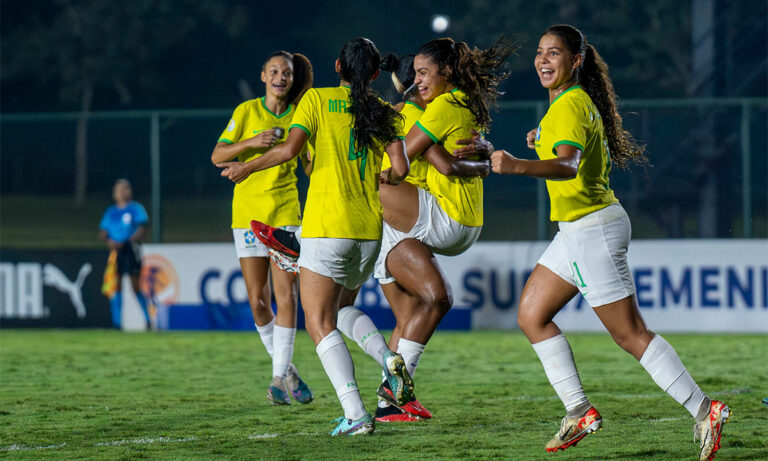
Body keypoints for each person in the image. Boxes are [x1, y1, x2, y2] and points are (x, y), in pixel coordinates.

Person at [489, 24, 729, 460]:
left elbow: (568, 166)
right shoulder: (568, 104)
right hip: (579, 229)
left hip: (590, 229)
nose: (543, 60)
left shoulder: (569, 104)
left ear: (575, 61)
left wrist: (517, 164)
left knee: (630, 334)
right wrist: (540, 139)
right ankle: (579, 411)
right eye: (540, 52)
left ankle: (705, 409)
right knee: (531, 314)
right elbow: (566, 150)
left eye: (554, 53)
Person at [218, 37, 413, 436]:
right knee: (339, 311)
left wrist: (248, 167)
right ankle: (389, 358)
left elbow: (290, 150)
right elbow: (401, 167)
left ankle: (356, 413)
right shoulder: (381, 110)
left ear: (338, 68)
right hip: (368, 232)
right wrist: (386, 176)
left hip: (327, 228)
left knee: (319, 321)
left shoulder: (316, 101)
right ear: (375, 74)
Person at [367, 38, 512, 422]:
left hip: (442, 216)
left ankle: (306, 237)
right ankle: (390, 403)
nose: (417, 81)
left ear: (446, 72)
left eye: (423, 73)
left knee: (363, 181)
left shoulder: (438, 108)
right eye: (414, 75)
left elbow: (411, 160)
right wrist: (480, 162)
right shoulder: (459, 102)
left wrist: (402, 123)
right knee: (410, 315)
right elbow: (445, 161)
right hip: (436, 224)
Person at [211, 50, 314, 405]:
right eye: (274, 71)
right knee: (258, 301)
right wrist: (253, 143)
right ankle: (287, 369)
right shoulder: (247, 112)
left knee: (287, 295)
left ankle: (276, 377)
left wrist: (314, 161)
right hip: (247, 216)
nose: (281, 77)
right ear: (263, 76)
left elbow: (309, 166)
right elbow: (218, 156)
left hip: (285, 213)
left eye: (286, 72)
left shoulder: (302, 114)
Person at [99, 179, 150, 329]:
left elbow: (142, 227)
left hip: (130, 249)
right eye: (119, 189)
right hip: (116, 252)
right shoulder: (111, 211)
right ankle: (117, 323)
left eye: (126, 188)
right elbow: (103, 232)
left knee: (135, 286)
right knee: (116, 286)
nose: (123, 192)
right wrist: (110, 241)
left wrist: (127, 241)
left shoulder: (136, 208)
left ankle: (148, 320)